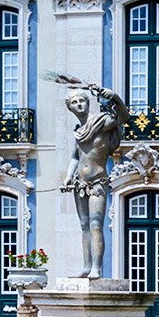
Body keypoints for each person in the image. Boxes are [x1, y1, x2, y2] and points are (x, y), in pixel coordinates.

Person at [51, 73, 128, 278]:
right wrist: (68, 177)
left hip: (97, 182)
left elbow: (123, 117)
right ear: (70, 108)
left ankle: (97, 268)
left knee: (95, 224)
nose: (79, 105)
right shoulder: (78, 131)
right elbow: (75, 157)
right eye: (74, 102)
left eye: (82, 101)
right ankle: (86, 266)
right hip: (79, 182)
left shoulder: (101, 122)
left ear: (87, 102)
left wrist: (114, 96)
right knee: (84, 225)